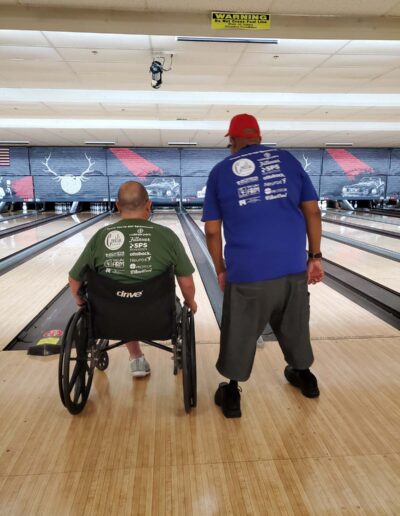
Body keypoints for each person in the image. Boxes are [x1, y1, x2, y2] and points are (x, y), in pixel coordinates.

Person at [202, 113, 324, 418]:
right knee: (294, 325)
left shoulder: (219, 172)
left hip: (247, 273)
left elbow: (213, 230)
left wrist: (220, 268)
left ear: (232, 141)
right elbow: (312, 212)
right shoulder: (289, 160)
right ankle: (305, 378)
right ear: (258, 137)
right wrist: (315, 257)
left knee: (239, 332)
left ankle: (231, 393)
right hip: (293, 267)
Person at [69, 181, 197, 377]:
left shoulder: (100, 236)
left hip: (110, 317)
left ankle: (136, 358)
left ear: (117, 206)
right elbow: (186, 283)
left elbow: (74, 279)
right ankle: (168, 348)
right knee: (145, 303)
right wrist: (191, 302)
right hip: (159, 316)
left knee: (121, 304)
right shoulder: (167, 236)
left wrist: (80, 301)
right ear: (149, 204)